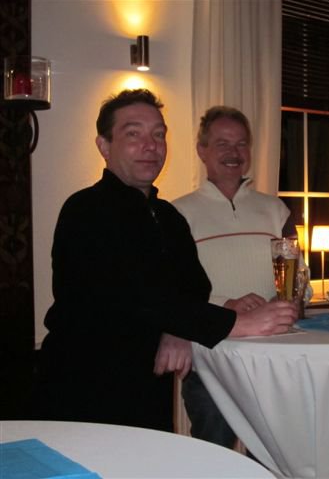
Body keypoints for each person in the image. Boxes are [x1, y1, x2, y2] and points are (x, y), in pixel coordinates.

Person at [34, 89, 297, 433]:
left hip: (149, 388)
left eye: (158, 135)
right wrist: (236, 323)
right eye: (133, 134)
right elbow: (130, 295)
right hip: (84, 386)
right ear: (104, 146)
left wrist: (177, 330)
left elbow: (193, 286)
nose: (150, 145)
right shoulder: (85, 210)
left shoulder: (167, 215)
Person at [173, 105, 297, 448]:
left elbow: (297, 277)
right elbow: (171, 289)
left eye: (242, 144)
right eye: (222, 143)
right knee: (214, 457)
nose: (234, 152)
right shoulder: (176, 213)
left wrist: (282, 303)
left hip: (272, 358)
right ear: (202, 150)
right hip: (211, 360)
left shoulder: (276, 209)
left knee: (273, 455)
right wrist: (226, 305)